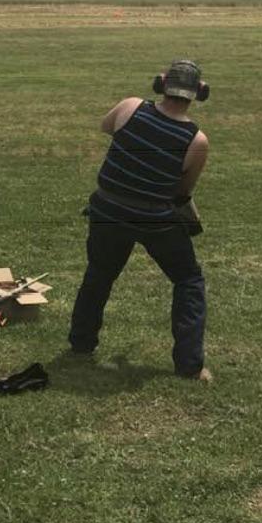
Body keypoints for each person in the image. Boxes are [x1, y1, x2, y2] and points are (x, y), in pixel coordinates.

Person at [69, 59, 211, 381]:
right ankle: (190, 366)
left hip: (106, 209)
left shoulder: (130, 107)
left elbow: (107, 127)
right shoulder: (197, 141)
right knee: (188, 280)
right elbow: (182, 191)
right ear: (199, 93)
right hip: (155, 218)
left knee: (99, 274)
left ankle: (81, 343)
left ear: (161, 83)